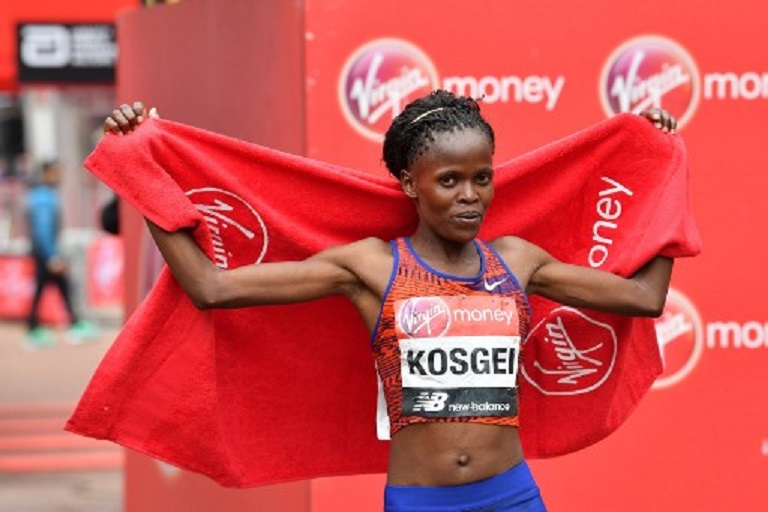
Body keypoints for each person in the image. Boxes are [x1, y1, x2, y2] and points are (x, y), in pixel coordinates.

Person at [104, 91, 677, 511]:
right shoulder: (371, 266)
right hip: (419, 502)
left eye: (482, 178)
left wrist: (662, 165)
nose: (470, 196)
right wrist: (143, 170)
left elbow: (644, 298)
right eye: (449, 180)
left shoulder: (517, 261)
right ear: (410, 184)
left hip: (512, 496)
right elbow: (211, 288)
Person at [25, 160, 97, 347]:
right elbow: (43, 230)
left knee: (56, 287)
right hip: (46, 254)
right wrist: (52, 256)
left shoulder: (41, 195)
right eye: (56, 172)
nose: (59, 176)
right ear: (46, 173)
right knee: (58, 286)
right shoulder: (43, 198)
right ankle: (43, 326)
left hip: (44, 253)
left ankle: (66, 322)